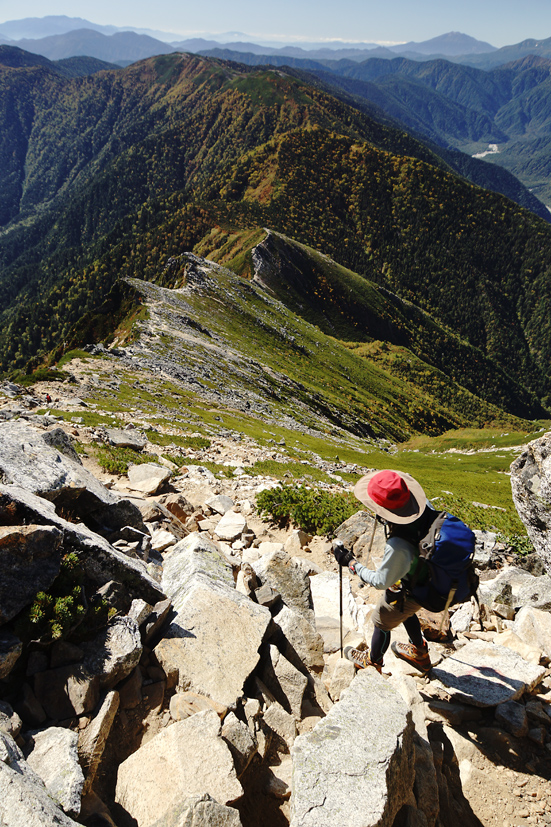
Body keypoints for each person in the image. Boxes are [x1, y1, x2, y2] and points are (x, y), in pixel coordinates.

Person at [333, 469, 434, 674]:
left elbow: (380, 581)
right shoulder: (426, 508)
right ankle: (420, 652)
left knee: (382, 619)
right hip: (432, 575)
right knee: (405, 609)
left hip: (416, 583)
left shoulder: (399, 545)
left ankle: (373, 662)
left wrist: (351, 563)